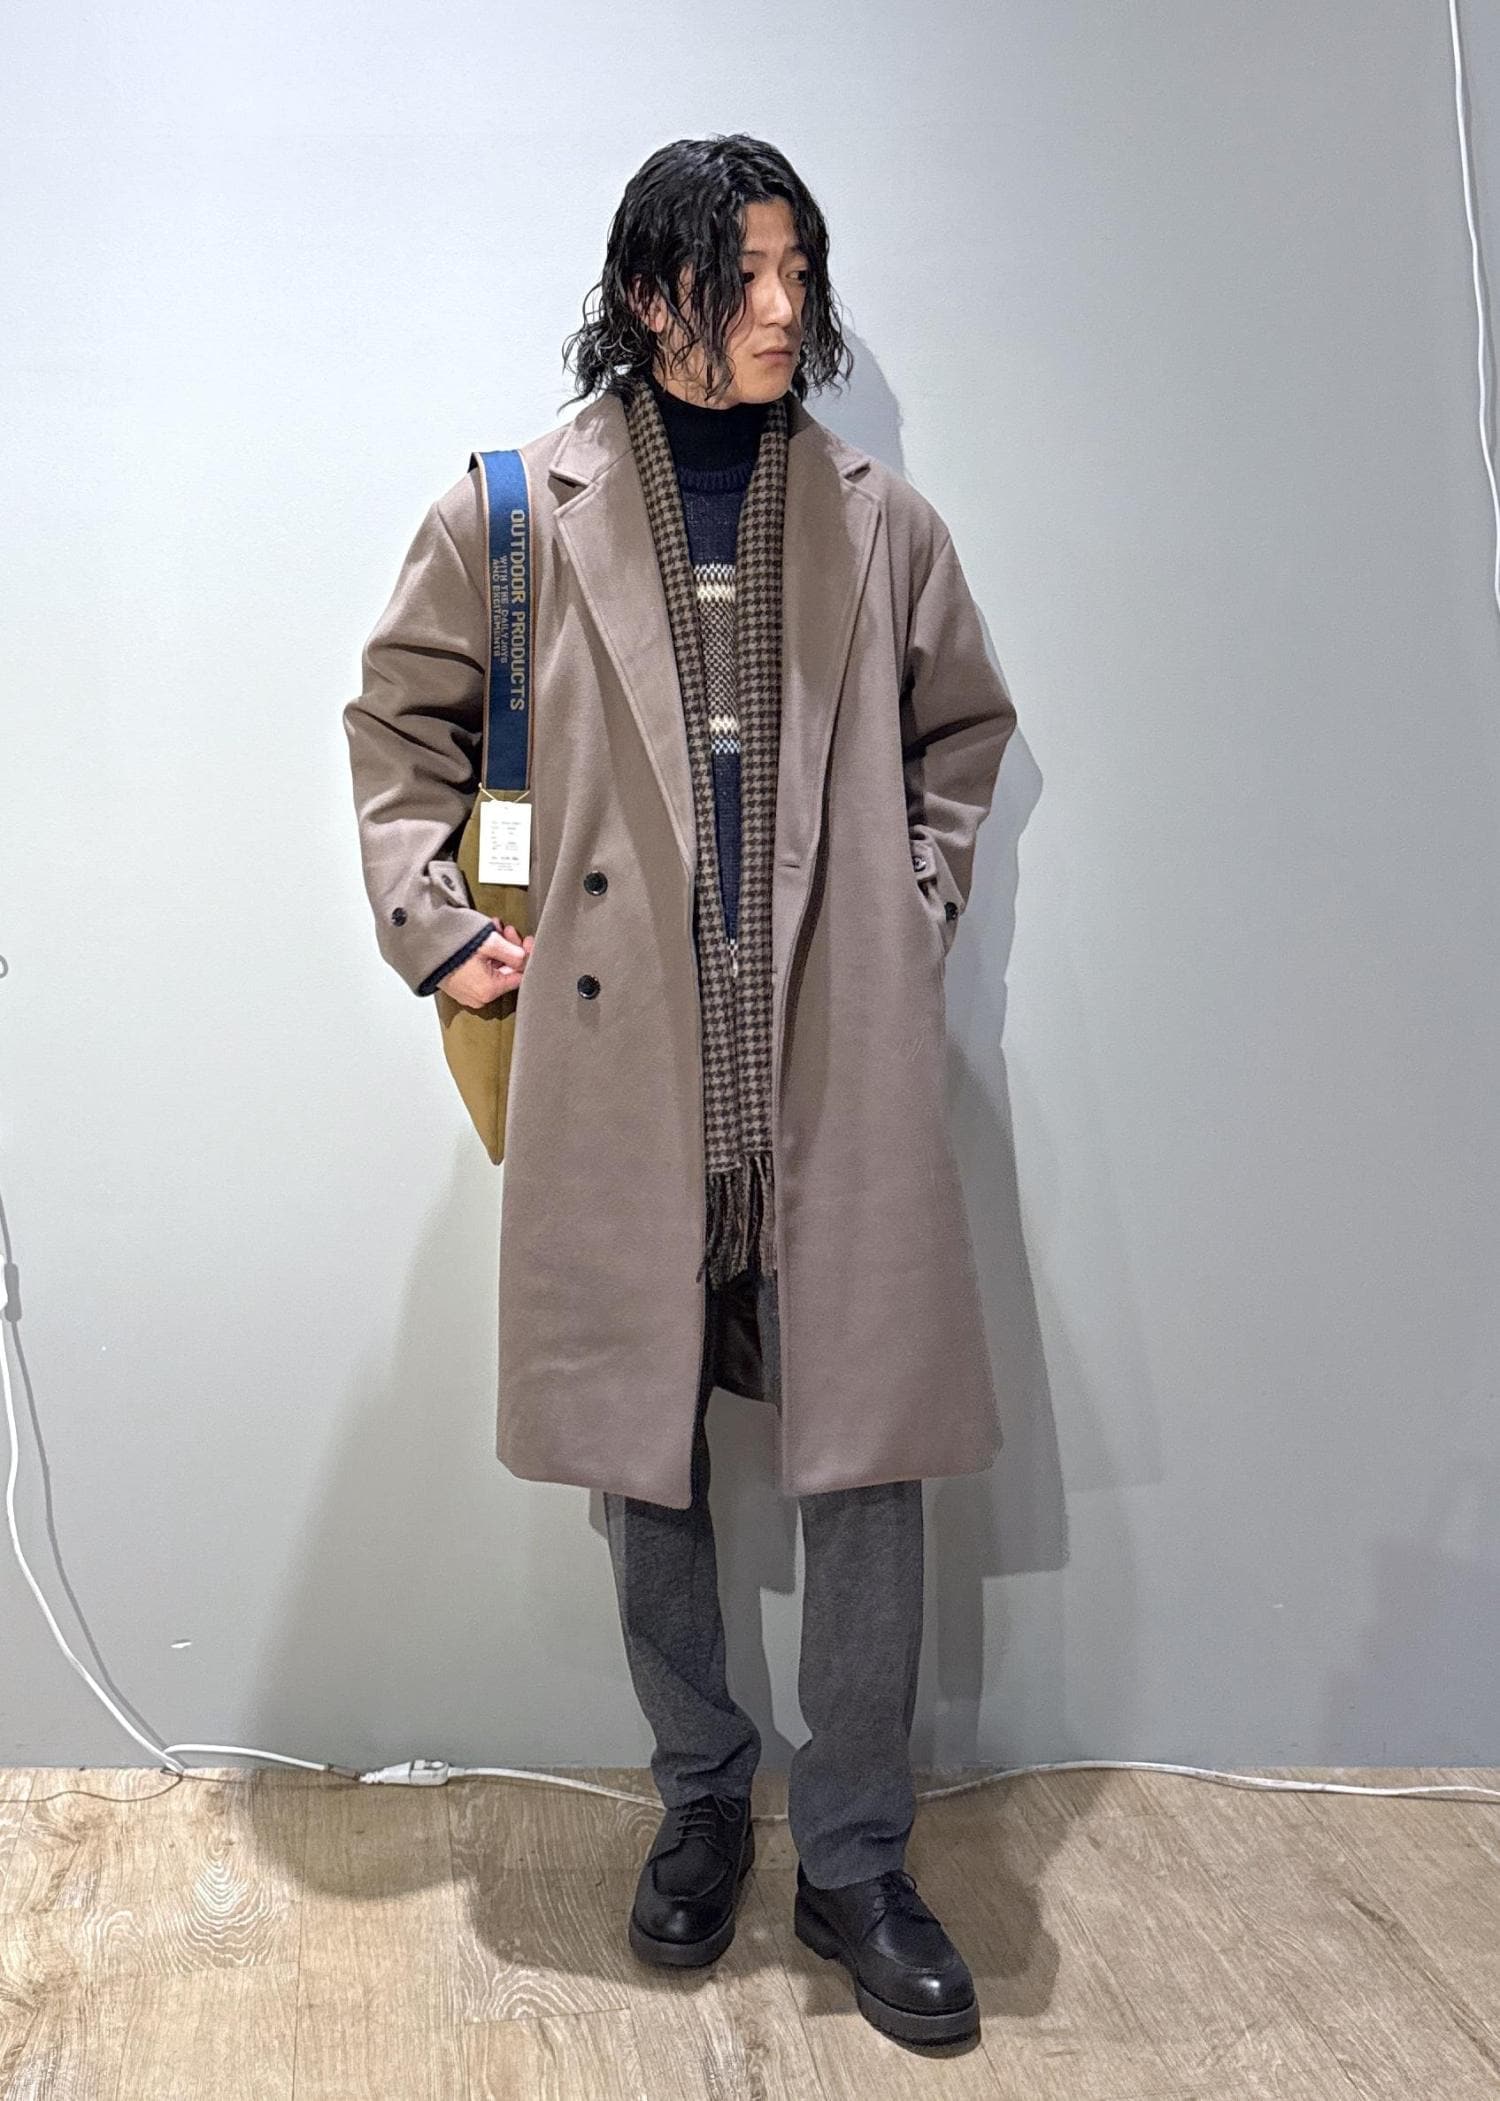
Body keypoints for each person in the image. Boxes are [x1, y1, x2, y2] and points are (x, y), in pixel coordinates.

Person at [344, 134, 1017, 2048]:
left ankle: (860, 1854)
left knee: (867, 1463)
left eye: (802, 271)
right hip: (625, 1055)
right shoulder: (517, 513)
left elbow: (963, 733)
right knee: (644, 1457)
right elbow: (396, 727)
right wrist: (437, 930)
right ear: (654, 296)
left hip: (828, 1067)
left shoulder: (881, 521)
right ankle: (703, 1794)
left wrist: (909, 903)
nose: (789, 310)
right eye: (750, 278)